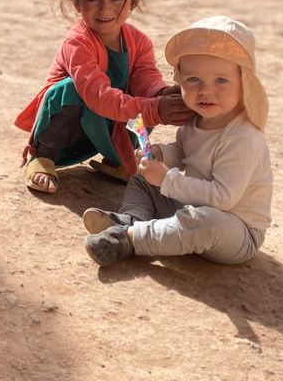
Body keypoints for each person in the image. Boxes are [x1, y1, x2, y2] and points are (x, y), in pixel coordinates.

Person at [83, 15, 272, 266]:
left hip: (234, 229)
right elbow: (182, 151)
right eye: (194, 79)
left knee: (204, 222)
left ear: (244, 84)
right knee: (142, 181)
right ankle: (131, 219)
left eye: (221, 80)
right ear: (180, 80)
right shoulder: (196, 121)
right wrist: (161, 155)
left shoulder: (242, 138)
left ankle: (129, 238)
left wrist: (167, 179)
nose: (205, 90)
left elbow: (223, 198)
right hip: (191, 203)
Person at [15, 0, 194, 194]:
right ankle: (42, 158)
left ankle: (121, 159)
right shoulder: (78, 42)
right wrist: (156, 110)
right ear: (78, 4)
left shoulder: (139, 40)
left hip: (108, 124)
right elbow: (96, 95)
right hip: (67, 128)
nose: (105, 9)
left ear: (134, 1)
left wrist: (160, 95)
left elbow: (145, 78)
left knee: (145, 97)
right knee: (72, 89)